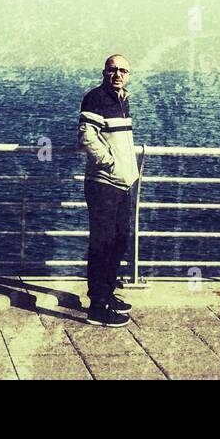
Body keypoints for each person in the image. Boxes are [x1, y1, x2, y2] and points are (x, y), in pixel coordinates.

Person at [77, 54, 139, 326]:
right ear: (104, 72)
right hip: (103, 184)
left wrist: (127, 171)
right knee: (102, 244)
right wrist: (110, 163)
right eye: (113, 70)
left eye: (123, 70)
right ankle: (97, 306)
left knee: (120, 240)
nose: (118, 74)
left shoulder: (123, 99)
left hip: (124, 184)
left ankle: (107, 292)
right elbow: (87, 136)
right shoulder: (95, 98)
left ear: (128, 74)